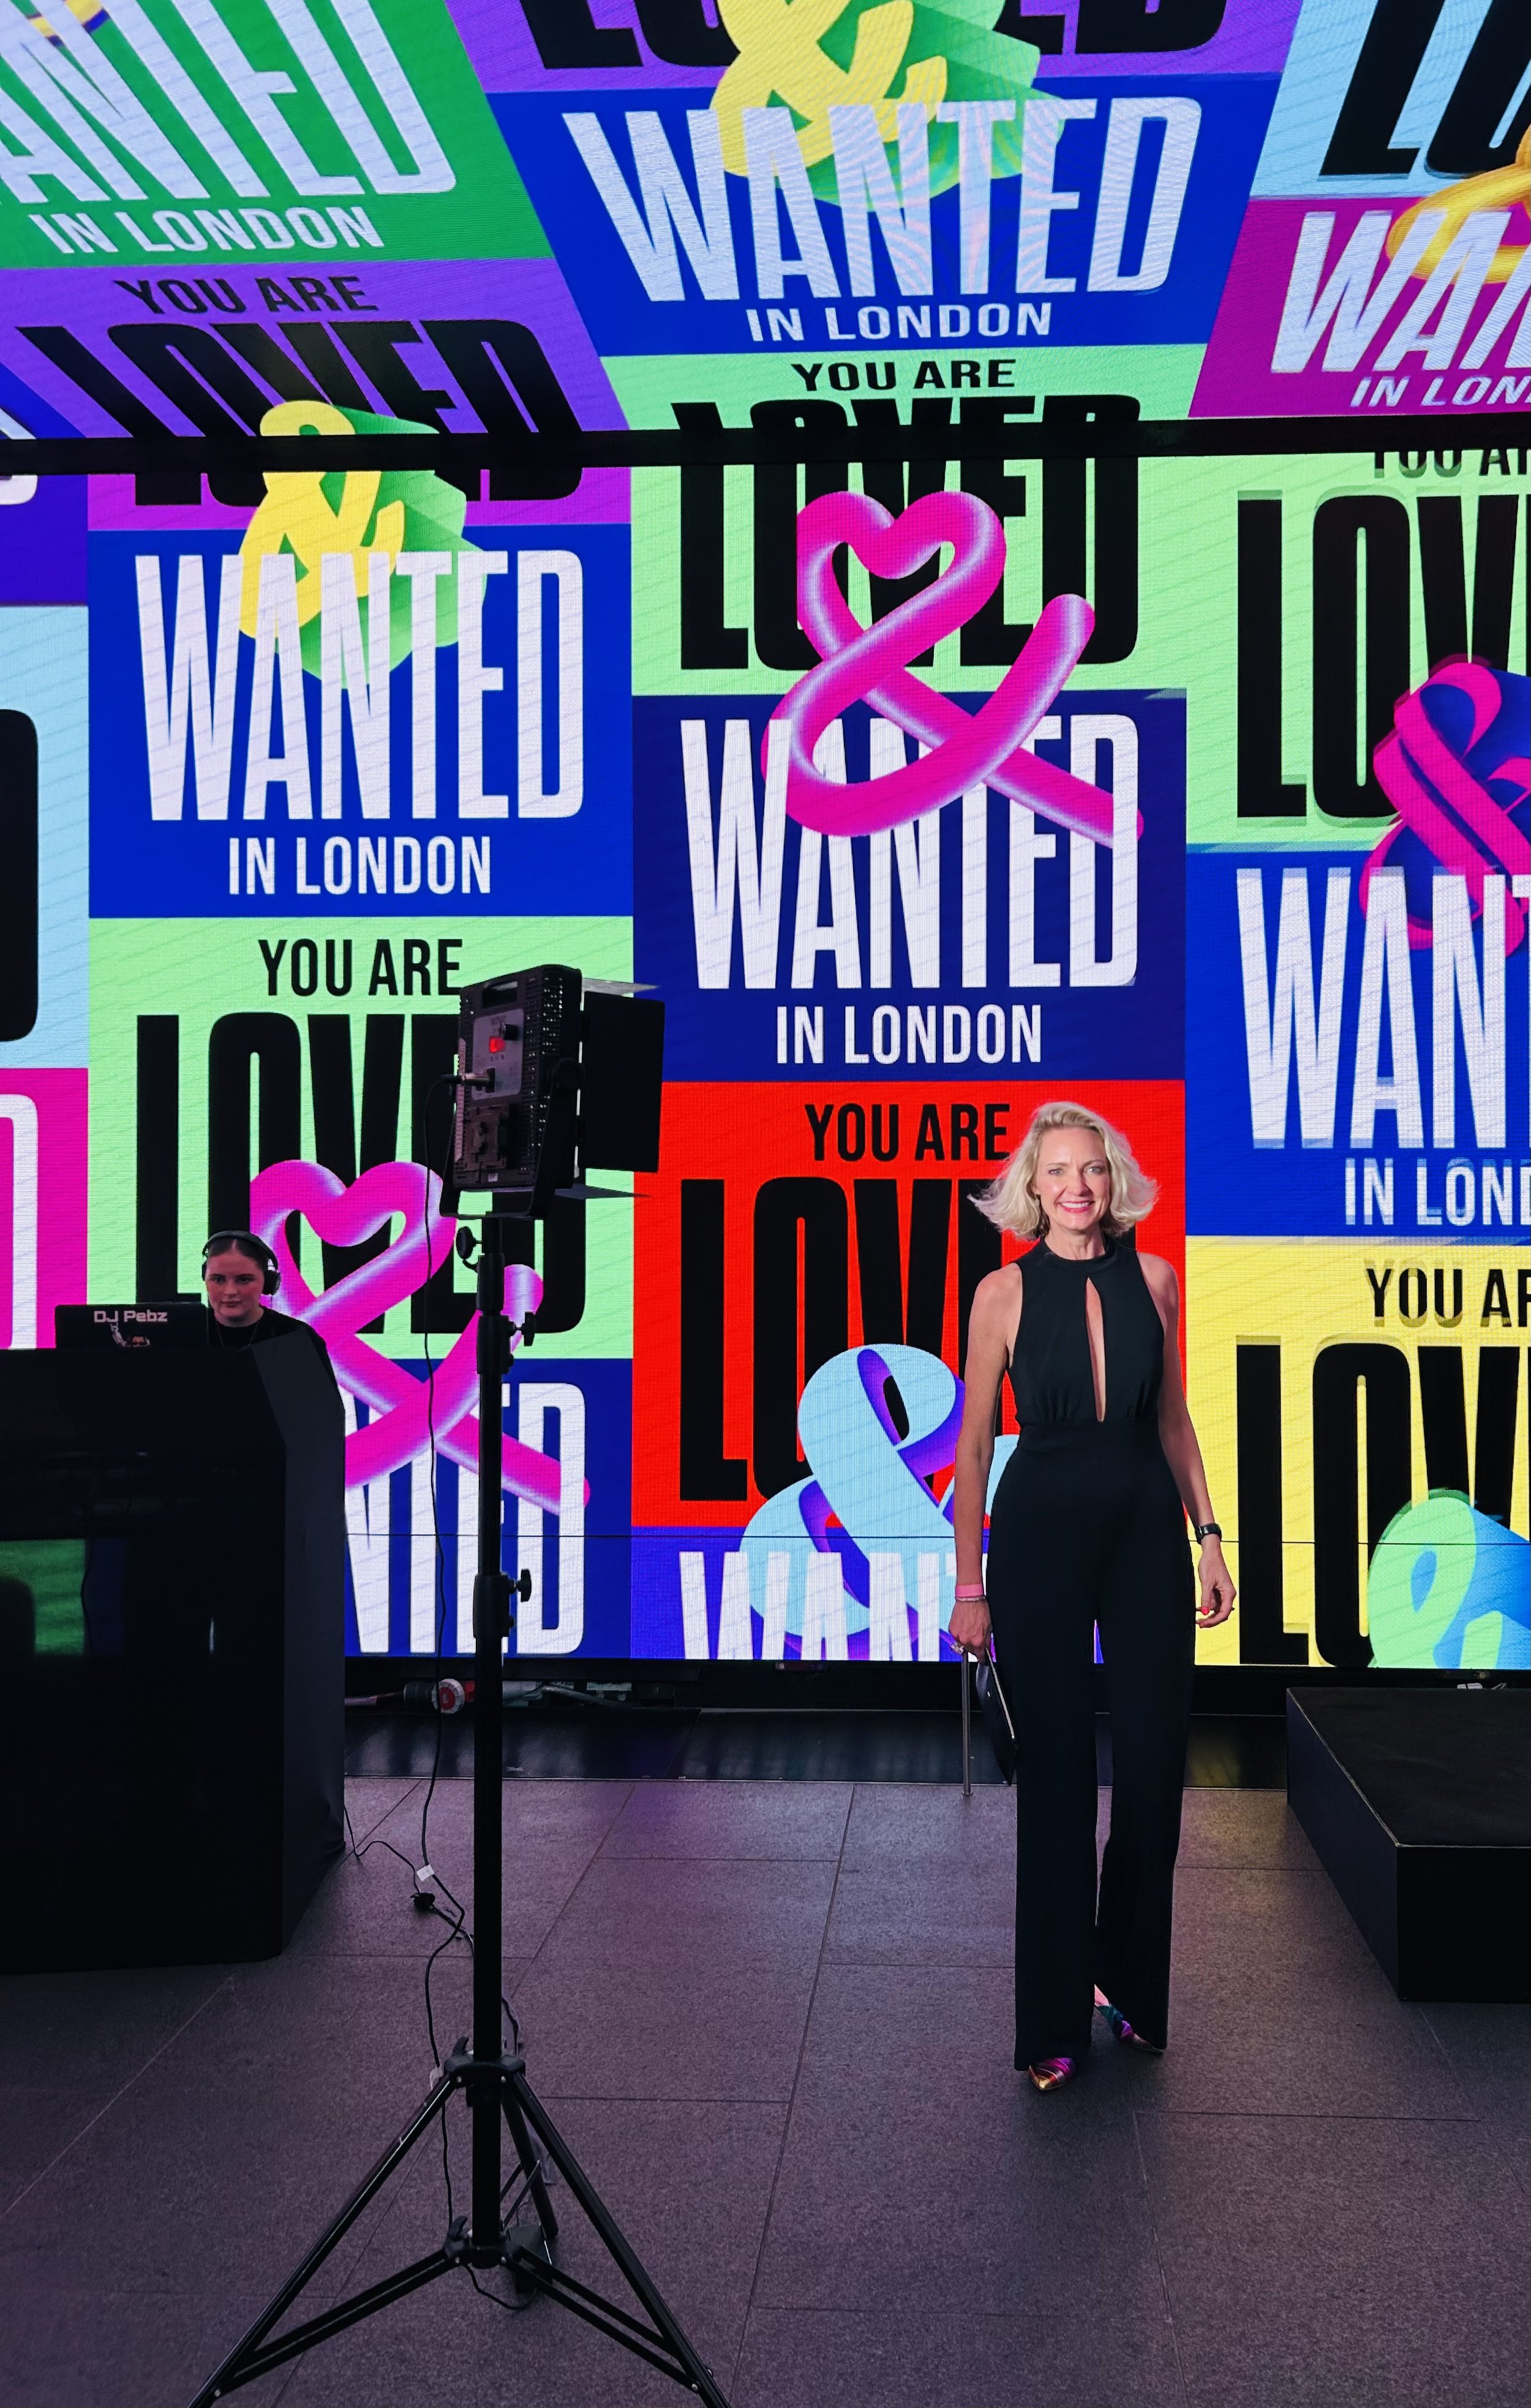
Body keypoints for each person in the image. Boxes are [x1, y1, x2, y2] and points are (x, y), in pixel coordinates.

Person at [949, 1102, 1234, 2093]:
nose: (1077, 1186)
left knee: (1156, 1775)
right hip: (1040, 1542)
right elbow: (976, 1448)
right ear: (1034, 1190)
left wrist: (1209, 1536)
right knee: (1059, 1785)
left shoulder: (1155, 1278)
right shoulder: (1002, 1292)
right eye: (1059, 1171)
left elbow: (1173, 1420)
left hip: (1145, 1534)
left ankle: (1125, 1975)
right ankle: (1052, 2020)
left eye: (1093, 1169)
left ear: (1115, 1181)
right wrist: (969, 1583)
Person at [201, 1231, 334, 1382]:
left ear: (268, 1282)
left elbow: (321, 1405)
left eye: (244, 1280)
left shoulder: (296, 1338)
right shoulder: (185, 1334)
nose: (230, 1291)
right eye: (218, 1280)